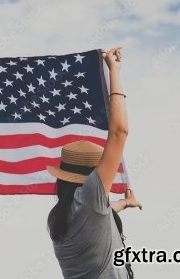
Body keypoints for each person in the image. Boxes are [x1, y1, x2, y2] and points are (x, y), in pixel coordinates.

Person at [46, 46, 143, 278]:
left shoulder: (60, 215)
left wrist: (123, 203)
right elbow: (119, 132)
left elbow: (103, 213)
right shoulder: (90, 198)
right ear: (91, 177)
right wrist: (114, 72)